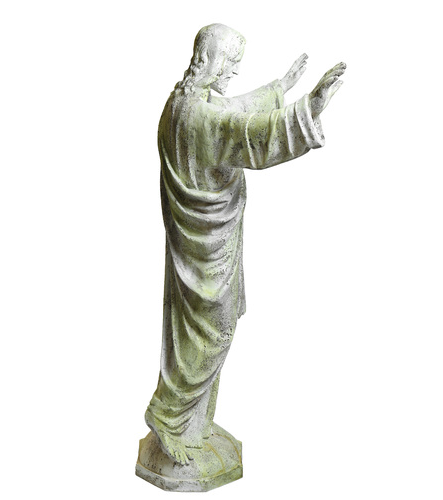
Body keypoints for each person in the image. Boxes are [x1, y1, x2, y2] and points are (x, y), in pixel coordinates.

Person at [145, 23, 345, 465]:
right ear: (213, 60)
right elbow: (250, 135)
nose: (235, 71)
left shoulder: (180, 103)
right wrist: (307, 110)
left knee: (191, 332)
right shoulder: (203, 117)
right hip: (208, 254)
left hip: (197, 245)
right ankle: (167, 414)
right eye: (231, 62)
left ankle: (189, 422)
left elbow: (232, 111)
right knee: (211, 333)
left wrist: (279, 89)